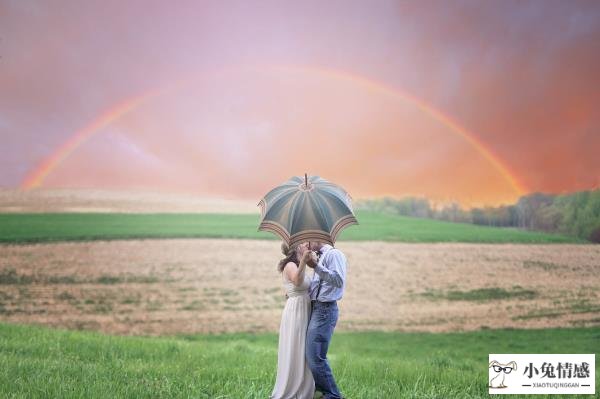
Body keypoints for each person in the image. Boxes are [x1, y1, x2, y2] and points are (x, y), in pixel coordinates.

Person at [270, 241, 316, 399]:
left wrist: (310, 261)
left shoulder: (297, 265)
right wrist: (304, 260)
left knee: (303, 347)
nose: (305, 245)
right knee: (296, 345)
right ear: (296, 248)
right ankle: (293, 388)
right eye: (302, 243)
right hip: (296, 310)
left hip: (304, 307)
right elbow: (297, 281)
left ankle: (305, 388)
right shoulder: (290, 265)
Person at [305, 241, 347, 399]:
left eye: (309, 240)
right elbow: (317, 286)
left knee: (315, 356)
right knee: (311, 355)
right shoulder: (320, 257)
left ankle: (333, 395)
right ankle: (321, 393)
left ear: (318, 238)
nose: (307, 245)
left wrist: (315, 266)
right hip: (317, 308)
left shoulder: (334, 254)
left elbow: (338, 280)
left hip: (325, 309)